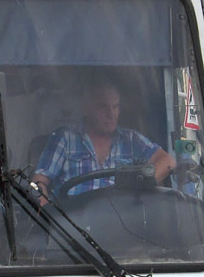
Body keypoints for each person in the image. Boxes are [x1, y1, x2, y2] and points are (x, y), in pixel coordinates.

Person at [32, 78, 173, 201]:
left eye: (115, 106)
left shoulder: (131, 139)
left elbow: (168, 162)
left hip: (121, 225)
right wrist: (47, 217)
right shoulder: (65, 138)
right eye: (103, 107)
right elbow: (39, 182)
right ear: (86, 109)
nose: (111, 114)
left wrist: (142, 187)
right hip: (72, 226)